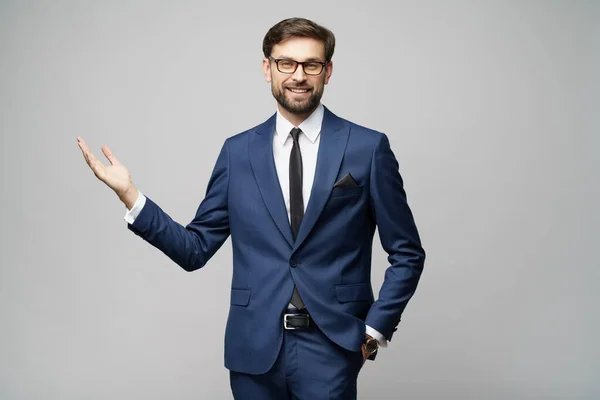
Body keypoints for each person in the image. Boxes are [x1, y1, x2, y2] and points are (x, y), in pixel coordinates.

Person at [77, 17, 425, 400]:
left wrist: (375, 330)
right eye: (286, 63)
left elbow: (407, 252)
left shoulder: (367, 148)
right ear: (267, 68)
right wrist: (131, 196)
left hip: (332, 348)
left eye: (311, 64)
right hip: (254, 349)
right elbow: (194, 249)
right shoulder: (237, 152)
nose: (299, 75)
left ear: (327, 71)